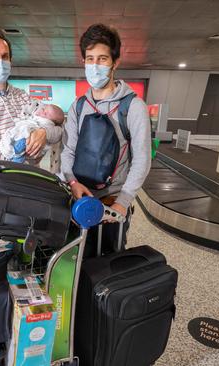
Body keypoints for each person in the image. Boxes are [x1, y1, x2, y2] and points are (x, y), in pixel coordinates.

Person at [60, 23, 151, 255]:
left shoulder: (133, 106)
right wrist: (72, 183)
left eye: (102, 59)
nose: (95, 65)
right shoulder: (79, 106)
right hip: (79, 196)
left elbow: (142, 158)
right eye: (90, 59)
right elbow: (68, 150)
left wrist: (124, 200)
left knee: (108, 263)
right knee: (76, 260)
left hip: (113, 202)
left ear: (115, 62)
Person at [0, 28, 62, 165]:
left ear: (10, 60)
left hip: (31, 178)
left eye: (4, 56)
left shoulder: (22, 96)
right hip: (6, 183)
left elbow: (58, 129)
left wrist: (44, 133)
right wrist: (30, 155)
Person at [0, 101, 65, 163]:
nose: (41, 109)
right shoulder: (40, 110)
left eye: (45, 111)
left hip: (29, 152)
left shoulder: (27, 98)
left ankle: (18, 153)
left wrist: (45, 132)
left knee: (26, 136)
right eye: (43, 109)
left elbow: (60, 131)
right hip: (4, 162)